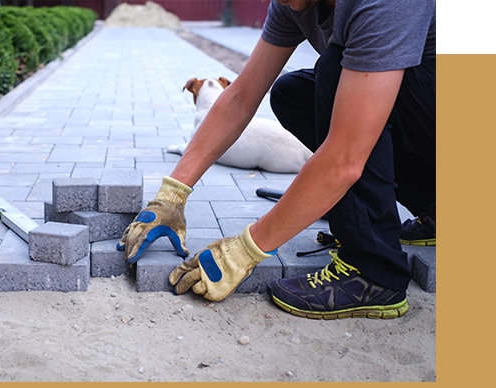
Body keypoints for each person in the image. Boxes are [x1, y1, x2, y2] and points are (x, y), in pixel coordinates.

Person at [118, 0, 436, 320]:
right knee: (293, 94)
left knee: (335, 72)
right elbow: (241, 98)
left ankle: (374, 273)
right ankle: (437, 206)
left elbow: (345, 157)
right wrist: (172, 194)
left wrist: (245, 249)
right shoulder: (293, 4)